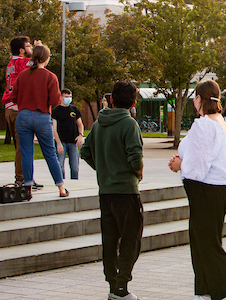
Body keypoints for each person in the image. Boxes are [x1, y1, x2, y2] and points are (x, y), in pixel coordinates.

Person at [167, 80, 226, 300]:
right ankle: (206, 292)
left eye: (194, 98)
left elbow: (198, 167)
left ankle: (223, 295)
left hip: (208, 189)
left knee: (207, 246)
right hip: (221, 188)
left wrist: (180, 164)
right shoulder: (220, 122)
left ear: (199, 99)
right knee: (202, 244)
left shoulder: (205, 124)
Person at [81, 81, 144, 300]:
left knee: (110, 240)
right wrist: (139, 172)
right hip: (127, 192)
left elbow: (85, 151)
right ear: (133, 102)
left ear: (112, 100)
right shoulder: (129, 124)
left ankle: (111, 284)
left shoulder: (99, 123)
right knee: (131, 239)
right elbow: (135, 157)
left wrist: (104, 168)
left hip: (105, 192)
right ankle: (121, 287)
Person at [10, 44, 67, 197]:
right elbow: (55, 100)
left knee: (27, 153)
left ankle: (27, 188)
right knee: (50, 153)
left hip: (23, 116)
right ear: (47, 59)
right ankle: (61, 187)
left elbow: (13, 96)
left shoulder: (22, 75)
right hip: (42, 116)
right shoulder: (50, 76)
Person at [2, 36, 43, 188]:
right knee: (23, 146)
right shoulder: (21, 62)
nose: (31, 49)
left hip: (10, 108)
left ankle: (25, 176)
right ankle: (22, 179)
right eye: (28, 46)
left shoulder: (12, 63)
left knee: (21, 146)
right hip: (17, 108)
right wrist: (40, 47)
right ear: (21, 50)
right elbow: (40, 62)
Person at [52, 89, 84, 180]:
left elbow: (80, 124)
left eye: (70, 97)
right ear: (61, 98)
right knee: (60, 165)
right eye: (66, 97)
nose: (68, 99)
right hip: (61, 141)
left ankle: (74, 182)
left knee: (75, 167)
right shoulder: (56, 111)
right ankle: (62, 182)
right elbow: (54, 129)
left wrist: (80, 135)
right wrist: (58, 143)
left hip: (73, 142)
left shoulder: (74, 109)